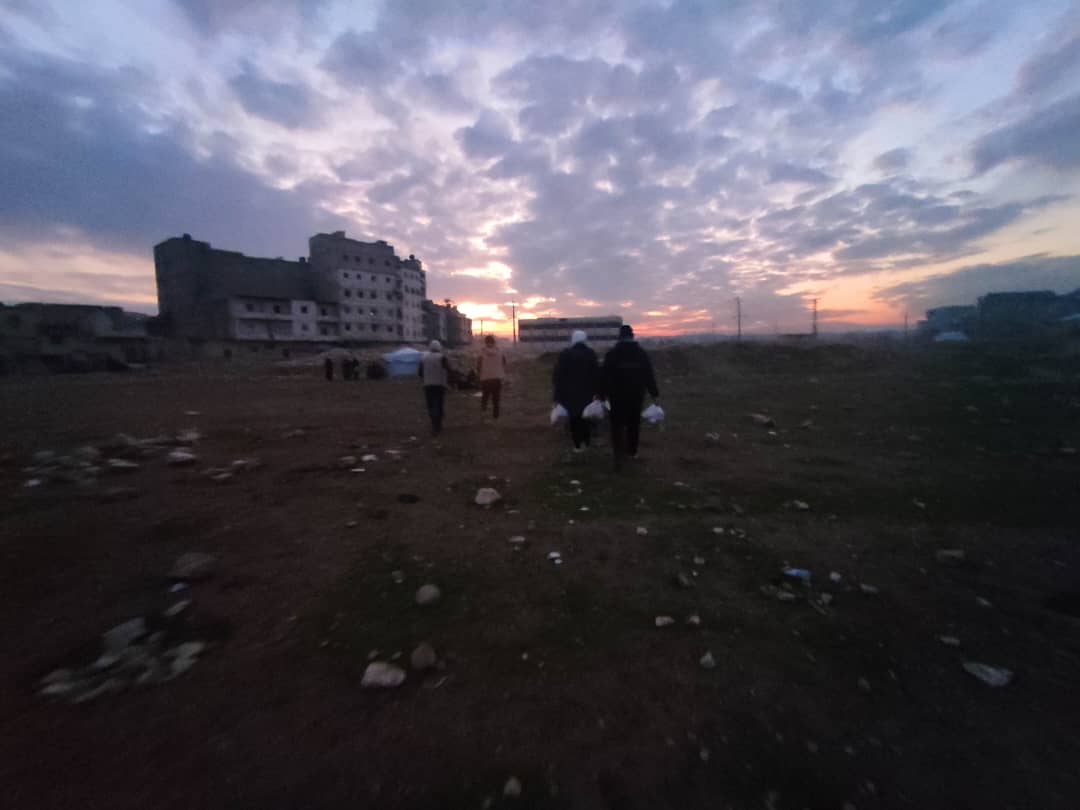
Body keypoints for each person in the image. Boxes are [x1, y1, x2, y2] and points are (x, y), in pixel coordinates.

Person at [602, 324, 659, 470]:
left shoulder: (612, 354)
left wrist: (601, 394)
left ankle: (618, 455)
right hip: (636, 395)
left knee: (616, 426)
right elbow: (648, 375)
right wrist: (654, 394)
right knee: (633, 425)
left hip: (616, 397)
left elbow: (604, 376)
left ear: (619, 337)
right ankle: (632, 452)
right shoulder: (641, 354)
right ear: (632, 337)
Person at [553, 330, 601, 451]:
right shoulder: (590, 353)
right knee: (586, 416)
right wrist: (599, 392)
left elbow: (558, 376)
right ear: (584, 339)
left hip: (570, 393)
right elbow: (596, 374)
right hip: (587, 392)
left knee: (574, 418)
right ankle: (587, 442)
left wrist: (557, 395)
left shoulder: (566, 354)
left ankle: (577, 445)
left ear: (573, 340)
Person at [419, 340, 451, 436]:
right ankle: (438, 425)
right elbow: (449, 370)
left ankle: (434, 423)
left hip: (428, 385)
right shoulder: (442, 358)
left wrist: (426, 377)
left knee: (431, 405)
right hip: (440, 385)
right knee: (439, 404)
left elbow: (420, 372)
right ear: (439, 347)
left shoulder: (423, 358)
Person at [477, 334, 507, 419]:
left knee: (485, 398)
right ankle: (496, 416)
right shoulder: (500, 351)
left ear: (485, 342)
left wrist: (479, 375)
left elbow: (478, 365)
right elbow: (504, 362)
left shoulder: (482, 352)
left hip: (486, 379)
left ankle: (483, 413)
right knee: (496, 399)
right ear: (494, 342)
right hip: (497, 379)